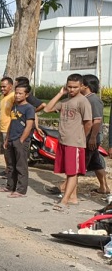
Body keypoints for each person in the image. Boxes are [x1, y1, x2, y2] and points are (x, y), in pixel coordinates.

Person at [43, 73, 92, 211]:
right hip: (64, 140)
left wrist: (82, 136)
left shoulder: (83, 101)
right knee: (69, 171)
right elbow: (47, 109)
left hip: (74, 142)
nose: (71, 90)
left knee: (72, 172)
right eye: (69, 87)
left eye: (75, 87)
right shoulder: (65, 101)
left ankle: (64, 200)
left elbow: (88, 122)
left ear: (81, 86)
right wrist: (60, 93)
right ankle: (73, 197)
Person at [0, 84, 35, 197]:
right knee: (10, 165)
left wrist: (22, 140)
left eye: (20, 93)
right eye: (16, 93)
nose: (18, 95)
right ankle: (10, 185)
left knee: (21, 165)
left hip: (20, 141)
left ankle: (21, 190)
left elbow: (29, 126)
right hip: (11, 139)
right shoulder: (15, 106)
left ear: (26, 95)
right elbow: (12, 123)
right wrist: (7, 139)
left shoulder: (29, 108)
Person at [81, 74, 109, 195]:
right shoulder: (86, 98)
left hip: (91, 137)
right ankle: (104, 187)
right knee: (96, 163)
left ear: (86, 86)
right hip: (89, 137)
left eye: (81, 84)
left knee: (81, 162)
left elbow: (97, 120)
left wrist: (92, 137)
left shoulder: (93, 100)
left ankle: (65, 187)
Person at [0, 77, 15, 178]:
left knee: (9, 152)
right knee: (5, 151)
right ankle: (8, 168)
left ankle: (11, 171)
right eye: (1, 87)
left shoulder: (13, 97)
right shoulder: (3, 97)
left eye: (4, 87)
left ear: (10, 86)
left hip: (9, 129)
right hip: (2, 128)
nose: (2, 89)